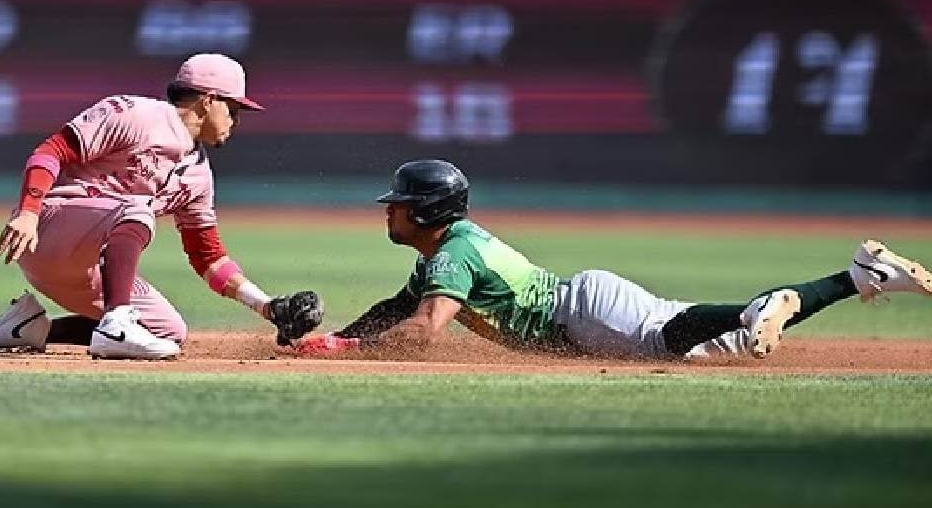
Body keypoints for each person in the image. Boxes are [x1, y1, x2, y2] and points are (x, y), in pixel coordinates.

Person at [291, 159, 931, 359]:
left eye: (398, 204)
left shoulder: (452, 256)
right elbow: (399, 308)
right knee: (711, 345)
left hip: (583, 316)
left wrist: (343, 352)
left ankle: (759, 306)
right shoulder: (451, 250)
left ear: (426, 213)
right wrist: (338, 337)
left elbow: (425, 331)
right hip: (590, 301)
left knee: (673, 343)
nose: (389, 211)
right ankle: (861, 275)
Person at [0, 53, 323, 359]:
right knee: (137, 206)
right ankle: (116, 323)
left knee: (169, 331)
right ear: (208, 100)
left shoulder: (198, 176)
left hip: (87, 268)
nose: (236, 120)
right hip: (48, 229)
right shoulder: (135, 114)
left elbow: (208, 257)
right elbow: (51, 151)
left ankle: (31, 329)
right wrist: (28, 210)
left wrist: (266, 306)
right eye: (233, 108)